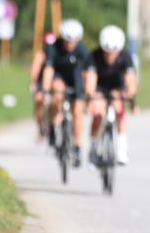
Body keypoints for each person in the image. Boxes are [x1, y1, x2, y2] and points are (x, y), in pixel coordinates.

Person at [85, 24, 137, 165]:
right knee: (98, 113)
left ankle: (121, 149)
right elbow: (90, 82)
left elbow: (131, 81)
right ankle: (94, 148)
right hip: (100, 87)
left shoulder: (125, 57)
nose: (109, 55)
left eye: (113, 52)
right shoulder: (94, 56)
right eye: (106, 52)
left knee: (119, 108)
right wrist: (92, 96)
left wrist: (130, 95)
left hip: (117, 86)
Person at [41, 19, 89, 167]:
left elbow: (88, 73)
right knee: (57, 93)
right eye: (67, 41)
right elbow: (48, 70)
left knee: (78, 111)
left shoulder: (82, 49)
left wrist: (87, 92)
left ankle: (76, 146)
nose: (70, 44)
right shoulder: (53, 47)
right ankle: (54, 126)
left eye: (73, 41)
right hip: (59, 76)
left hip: (75, 77)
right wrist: (45, 90)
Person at [29, 32, 56, 139]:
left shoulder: (58, 54)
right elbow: (35, 71)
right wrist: (34, 83)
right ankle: (40, 127)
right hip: (41, 83)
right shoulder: (41, 55)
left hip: (55, 82)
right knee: (39, 100)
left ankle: (54, 124)